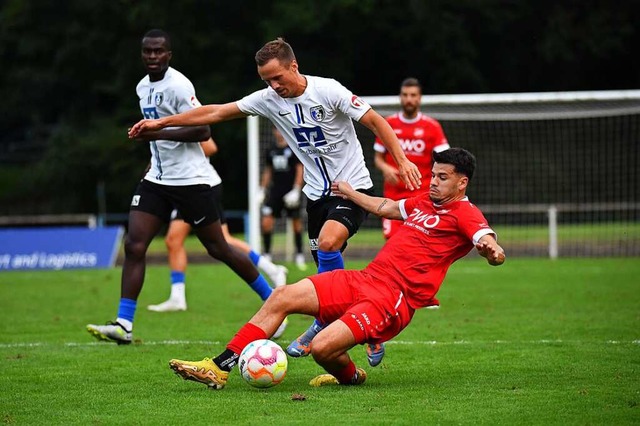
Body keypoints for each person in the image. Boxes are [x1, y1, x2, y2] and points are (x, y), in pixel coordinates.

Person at [128, 37, 422, 363]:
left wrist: (403, 160)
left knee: (328, 243)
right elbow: (215, 112)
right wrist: (161, 122)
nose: (273, 85)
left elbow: (376, 122)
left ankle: (333, 323)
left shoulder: (329, 91)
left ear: (293, 66)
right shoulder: (268, 99)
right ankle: (354, 325)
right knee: (325, 276)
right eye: (267, 80)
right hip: (315, 194)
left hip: (352, 189)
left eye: (278, 77)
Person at [166, 147, 506, 390]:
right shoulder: (423, 202)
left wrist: (492, 250)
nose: (433, 183)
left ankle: (352, 376)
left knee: (324, 349)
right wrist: (350, 192)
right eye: (433, 175)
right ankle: (219, 366)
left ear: (462, 183)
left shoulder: (465, 213)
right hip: (366, 278)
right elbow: (387, 206)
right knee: (283, 296)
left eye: (442, 178)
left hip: (392, 300)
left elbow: (488, 240)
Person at [86, 29, 284, 344]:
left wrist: (157, 133)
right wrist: (152, 155)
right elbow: (155, 137)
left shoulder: (179, 85)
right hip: (157, 181)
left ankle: (273, 300)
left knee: (218, 247)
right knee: (135, 245)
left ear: (169, 55)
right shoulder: (141, 88)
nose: (152, 56)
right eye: (147, 51)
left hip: (193, 181)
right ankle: (124, 324)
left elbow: (203, 131)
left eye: (159, 51)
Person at [147, 138, 289, 315]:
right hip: (185, 185)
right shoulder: (160, 118)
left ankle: (270, 290)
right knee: (186, 240)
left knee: (215, 244)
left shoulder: (181, 114)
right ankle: (271, 270)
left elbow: (210, 146)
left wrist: (175, 155)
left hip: (197, 186)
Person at [374, 77, 450, 312]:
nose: (409, 99)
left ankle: (421, 294)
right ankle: (397, 290)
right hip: (393, 198)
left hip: (422, 197)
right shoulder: (388, 124)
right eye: (405, 95)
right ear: (400, 97)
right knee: (395, 243)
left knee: (423, 243)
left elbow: (446, 160)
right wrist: (386, 168)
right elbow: (377, 158)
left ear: (419, 98)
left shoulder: (432, 127)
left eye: (413, 95)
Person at [258, 127, 306, 271]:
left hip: (291, 191)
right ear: (274, 132)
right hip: (275, 192)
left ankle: (299, 255)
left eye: (281, 130)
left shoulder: (293, 148)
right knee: (266, 221)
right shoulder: (271, 150)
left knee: (296, 223)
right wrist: (262, 189)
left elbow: (300, 169)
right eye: (276, 130)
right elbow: (268, 171)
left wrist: (296, 190)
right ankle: (266, 255)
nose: (279, 133)